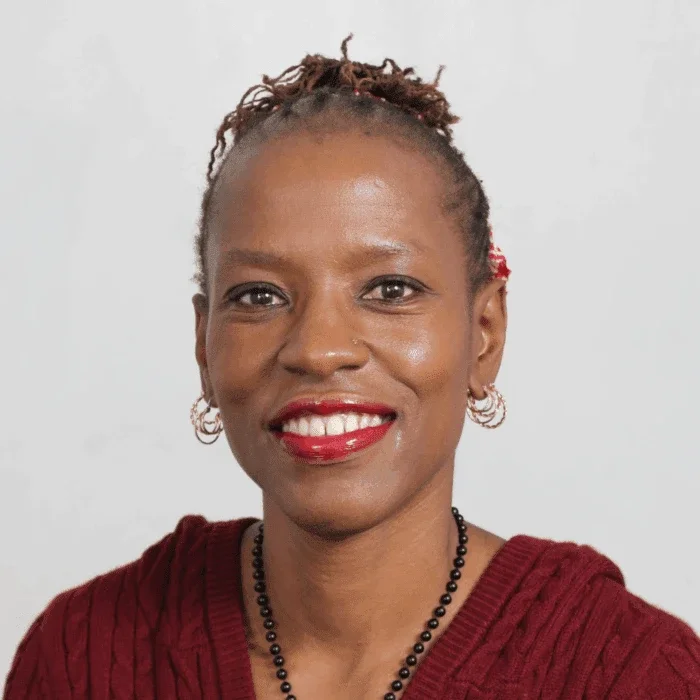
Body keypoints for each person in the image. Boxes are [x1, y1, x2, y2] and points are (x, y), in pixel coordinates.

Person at [4, 34, 699, 700]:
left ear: (484, 334)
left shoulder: (629, 677)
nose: (318, 349)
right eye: (259, 296)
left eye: (389, 289)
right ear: (203, 347)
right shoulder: (82, 660)